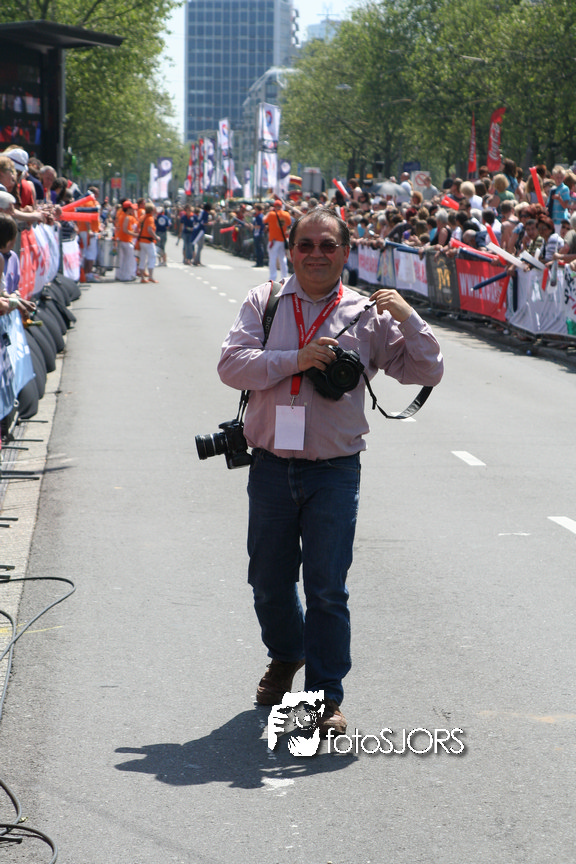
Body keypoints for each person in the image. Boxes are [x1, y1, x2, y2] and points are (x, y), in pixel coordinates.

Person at [217, 207, 444, 736]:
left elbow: (427, 370)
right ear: (290, 250)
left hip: (335, 471)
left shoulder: (369, 314)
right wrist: (296, 359)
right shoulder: (265, 301)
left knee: (326, 588)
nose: (316, 254)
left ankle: (323, 698)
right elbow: (230, 365)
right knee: (268, 582)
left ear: (345, 253)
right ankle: (286, 653)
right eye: (306, 245)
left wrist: (409, 317)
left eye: (327, 245)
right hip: (271, 467)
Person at [263, 199, 291, 281]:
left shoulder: (271, 214)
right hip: (282, 239)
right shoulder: (286, 214)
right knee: (283, 259)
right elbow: (289, 223)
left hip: (273, 240)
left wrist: (269, 211)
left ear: (274, 206)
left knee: (272, 259)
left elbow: (264, 220)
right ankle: (284, 277)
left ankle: (272, 277)